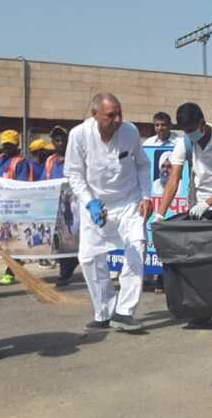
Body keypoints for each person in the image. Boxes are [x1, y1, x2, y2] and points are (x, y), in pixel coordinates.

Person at [64, 93, 152, 332]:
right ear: (95, 115)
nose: (117, 119)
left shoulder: (130, 132)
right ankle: (104, 311)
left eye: (119, 113)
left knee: (136, 248)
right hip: (96, 204)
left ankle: (124, 312)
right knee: (90, 258)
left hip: (128, 201)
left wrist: (146, 195)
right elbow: (74, 174)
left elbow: (143, 164)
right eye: (110, 115)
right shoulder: (79, 135)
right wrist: (90, 202)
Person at [157, 102, 212, 221]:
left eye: (191, 130)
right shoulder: (184, 143)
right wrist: (160, 214)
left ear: (201, 123)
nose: (189, 135)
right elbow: (173, 180)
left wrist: (206, 204)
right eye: (186, 131)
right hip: (196, 208)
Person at [0, 129, 38, 286]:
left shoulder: (21, 162)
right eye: (4, 144)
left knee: (14, 243)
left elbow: (23, 186)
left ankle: (11, 272)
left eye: (9, 145)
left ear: (16, 145)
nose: (6, 148)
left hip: (14, 208)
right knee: (0, 242)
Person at [38, 126, 80, 288]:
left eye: (63, 140)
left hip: (72, 208)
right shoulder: (49, 161)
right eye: (57, 140)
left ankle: (67, 270)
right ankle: (66, 268)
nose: (60, 143)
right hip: (54, 207)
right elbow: (43, 182)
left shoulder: (75, 159)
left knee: (71, 239)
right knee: (59, 242)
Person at [143, 112, 178, 294]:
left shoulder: (179, 143)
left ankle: (165, 279)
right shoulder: (147, 144)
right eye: (157, 125)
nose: (160, 128)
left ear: (170, 125)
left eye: (163, 125)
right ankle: (152, 277)